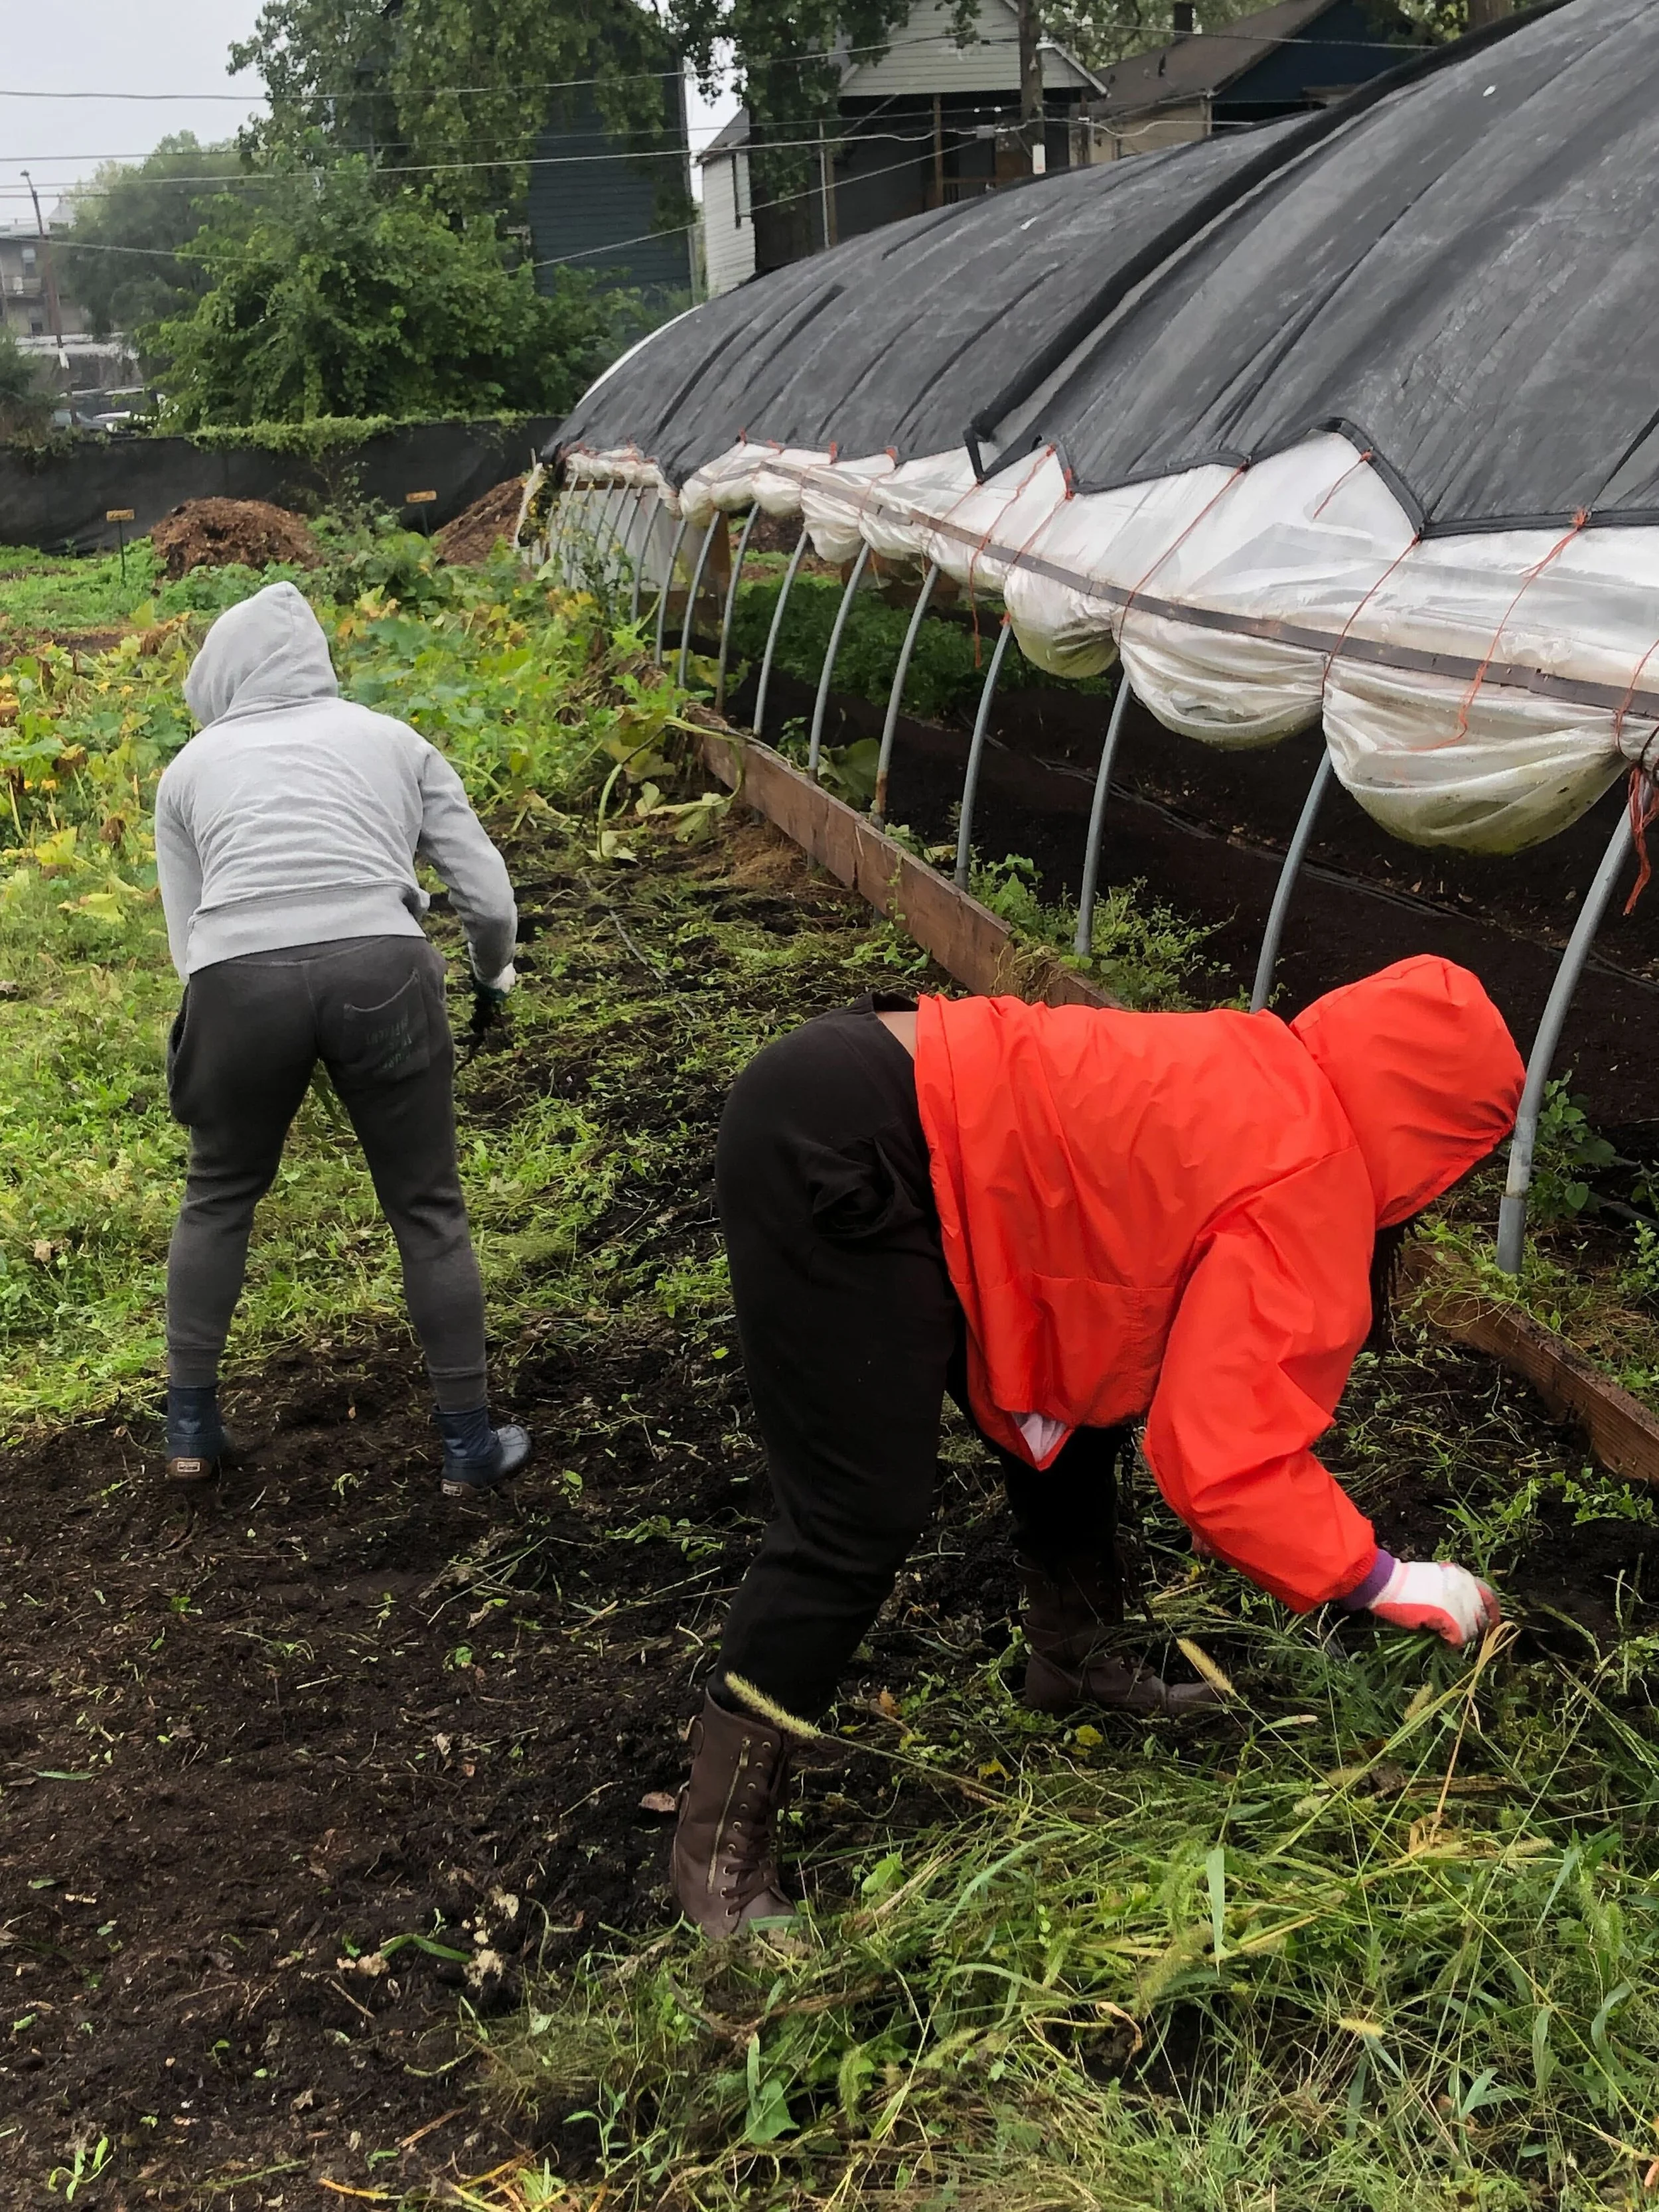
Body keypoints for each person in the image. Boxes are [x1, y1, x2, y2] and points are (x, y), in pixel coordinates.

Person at [672, 955, 1524, 1937]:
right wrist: (1380, 1578)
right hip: (850, 1139)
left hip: (862, 1086)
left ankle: (1076, 1659)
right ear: (1439, 1142)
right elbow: (1224, 1460)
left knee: (1078, 1402)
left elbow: (1115, 1289)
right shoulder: (1311, 1178)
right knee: (857, 1514)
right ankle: (715, 1857)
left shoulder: (1267, 1068)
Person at [153, 580, 530, 1499]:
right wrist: (490, 980)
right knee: (427, 1208)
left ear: (226, 676)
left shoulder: (191, 769)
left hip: (237, 984)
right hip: (385, 972)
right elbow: (488, 899)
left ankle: (191, 1429)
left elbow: (189, 941)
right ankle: (468, 1445)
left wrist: (244, 1021)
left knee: (218, 1193)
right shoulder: (392, 741)